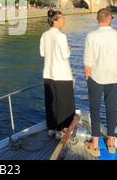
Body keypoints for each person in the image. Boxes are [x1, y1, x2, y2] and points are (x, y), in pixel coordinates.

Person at [83, 8, 117, 158]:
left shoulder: (91, 36)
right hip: (113, 77)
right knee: (111, 110)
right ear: (110, 18)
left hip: (96, 77)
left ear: (98, 19)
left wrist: (87, 77)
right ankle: (111, 144)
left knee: (95, 111)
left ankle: (95, 146)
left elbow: (88, 60)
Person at [40, 10, 76, 140]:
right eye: (62, 18)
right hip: (62, 74)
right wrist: (69, 49)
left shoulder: (44, 35)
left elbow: (42, 53)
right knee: (64, 103)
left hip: (48, 73)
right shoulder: (61, 36)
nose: (64, 20)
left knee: (51, 102)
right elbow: (65, 55)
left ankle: (51, 128)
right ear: (55, 20)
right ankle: (61, 129)